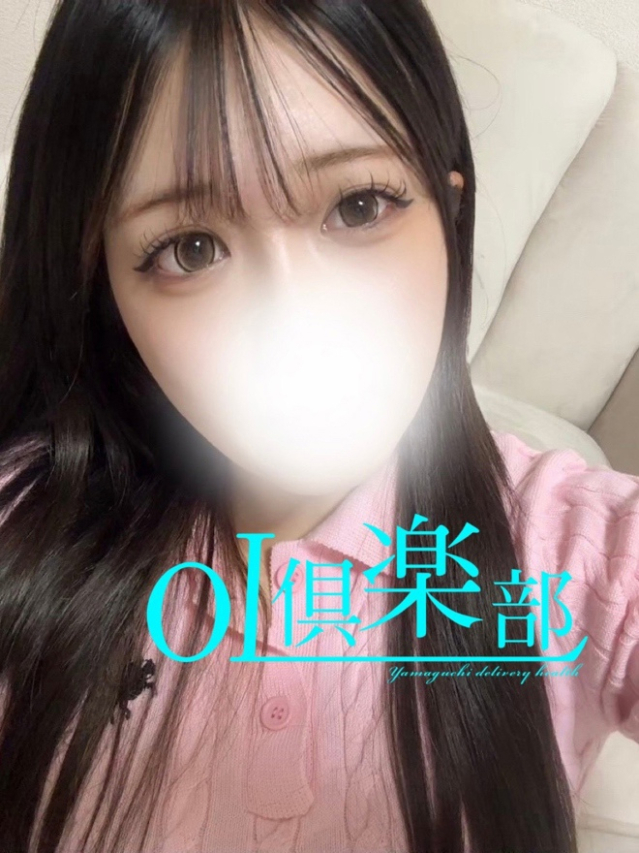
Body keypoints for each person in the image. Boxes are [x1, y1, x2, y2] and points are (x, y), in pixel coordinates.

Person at [0, 1, 637, 851]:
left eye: (359, 205)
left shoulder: (576, 553)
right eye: (190, 248)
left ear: (447, 215)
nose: (294, 315)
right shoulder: (26, 521)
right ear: (105, 290)